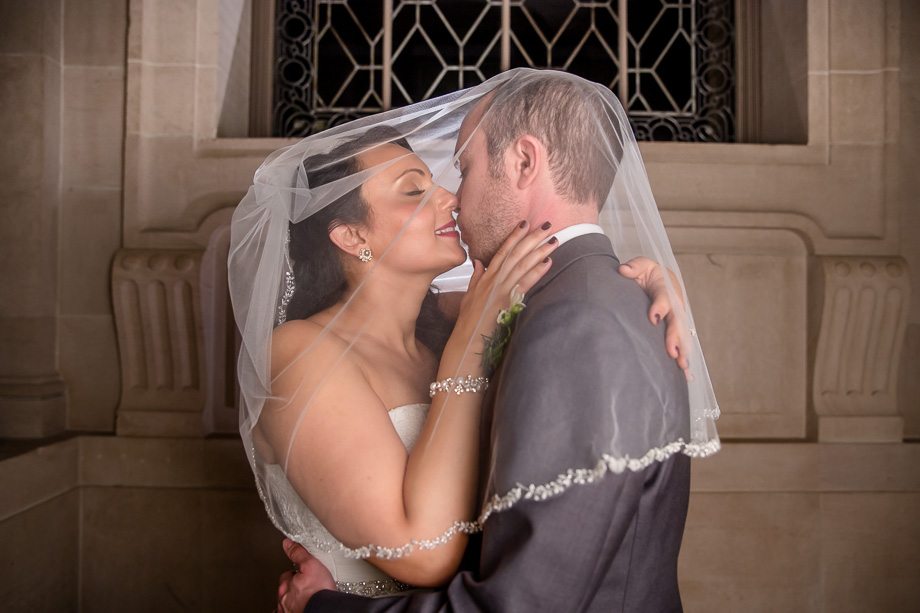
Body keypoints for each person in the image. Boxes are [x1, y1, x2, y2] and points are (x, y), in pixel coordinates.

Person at [270, 69, 720, 612]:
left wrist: (642, 276)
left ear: (525, 162)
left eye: (457, 171)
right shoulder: (311, 349)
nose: (451, 199)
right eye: (416, 189)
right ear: (351, 235)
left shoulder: (546, 319)